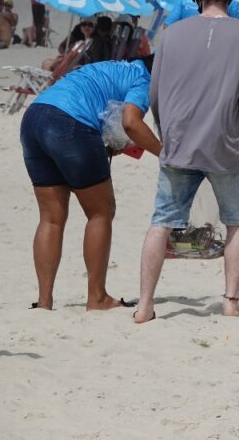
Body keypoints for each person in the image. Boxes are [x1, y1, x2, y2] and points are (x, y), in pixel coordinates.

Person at [134, 0, 239, 324]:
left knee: (161, 221)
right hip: (226, 142)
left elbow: (156, 92)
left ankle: (145, 305)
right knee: (236, 222)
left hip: (179, 142)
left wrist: (167, 132)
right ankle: (230, 301)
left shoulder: (171, 35)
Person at [20, 57, 162, 310]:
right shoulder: (144, 79)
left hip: (34, 117)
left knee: (51, 218)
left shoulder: (115, 67)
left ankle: (44, 301)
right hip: (70, 123)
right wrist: (166, 155)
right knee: (100, 212)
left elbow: (106, 117)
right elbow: (131, 123)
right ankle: (96, 297)